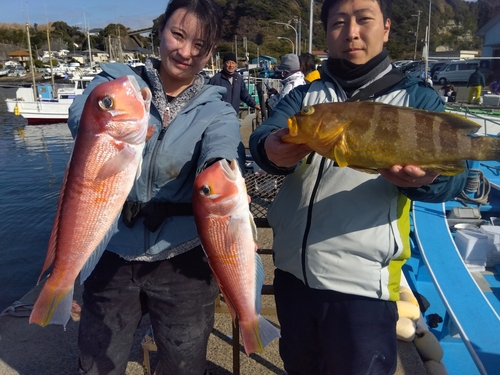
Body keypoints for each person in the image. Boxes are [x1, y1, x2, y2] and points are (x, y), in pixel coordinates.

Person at [249, 0, 469, 374]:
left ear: (385, 27)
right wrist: (268, 150)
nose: (351, 32)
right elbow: (267, 133)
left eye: (363, 20)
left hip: (363, 289)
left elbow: (456, 176)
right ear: (327, 33)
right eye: (338, 22)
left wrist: (430, 179)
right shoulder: (306, 98)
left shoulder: (416, 98)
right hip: (291, 276)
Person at [67, 0, 244, 374]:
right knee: (99, 361)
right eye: (178, 35)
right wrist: (109, 118)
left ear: (210, 53)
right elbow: (83, 111)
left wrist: (220, 169)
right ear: (160, 32)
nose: (185, 51)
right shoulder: (116, 83)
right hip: (111, 249)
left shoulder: (218, 108)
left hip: (182, 259)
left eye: (199, 44)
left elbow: (223, 146)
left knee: (183, 363)